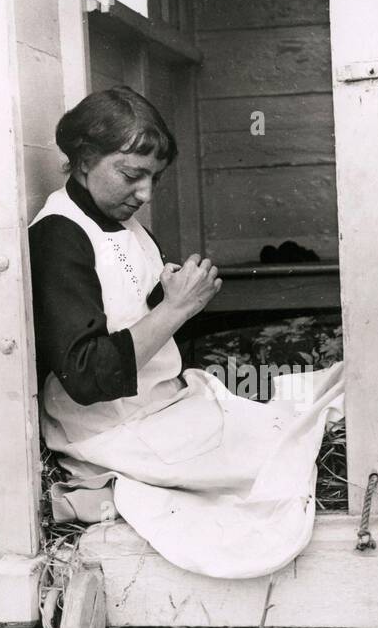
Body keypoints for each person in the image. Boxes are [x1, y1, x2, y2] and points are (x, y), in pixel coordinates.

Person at [28, 86, 345, 579]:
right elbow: (86, 377)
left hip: (159, 405)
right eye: (132, 176)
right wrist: (174, 309)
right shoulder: (58, 237)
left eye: (154, 178)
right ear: (85, 159)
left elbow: (134, 316)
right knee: (287, 449)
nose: (145, 194)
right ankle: (106, 490)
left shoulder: (121, 224)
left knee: (307, 410)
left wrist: (172, 294)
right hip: (109, 429)